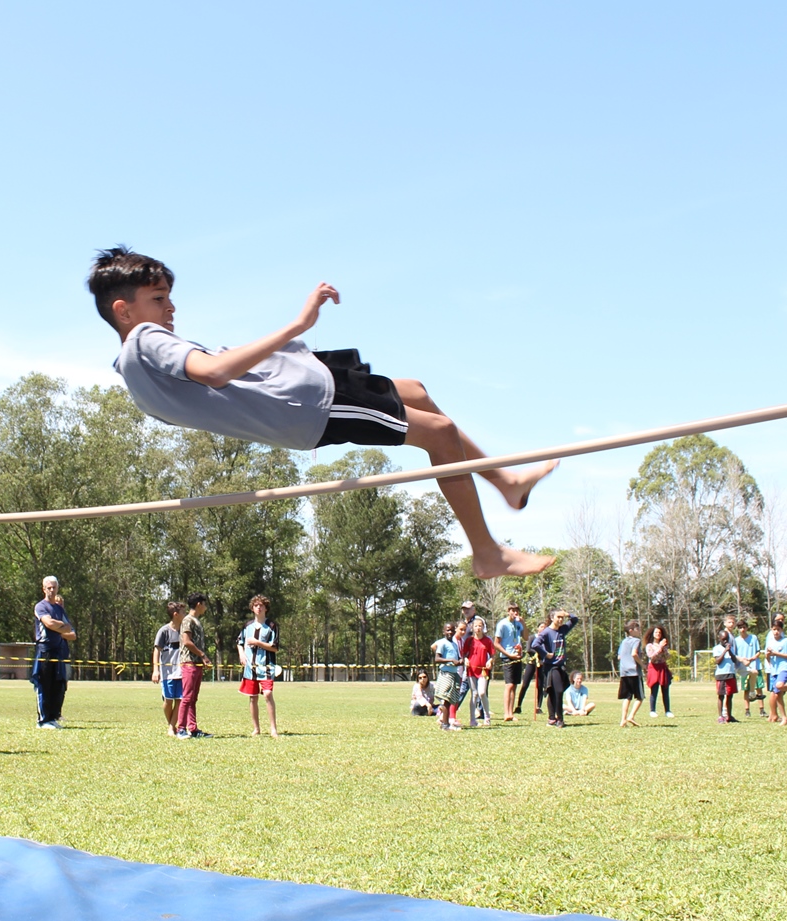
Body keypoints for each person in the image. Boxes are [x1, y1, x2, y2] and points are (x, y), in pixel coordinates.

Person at [92, 247, 557, 581]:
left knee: (416, 391)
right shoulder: (146, 340)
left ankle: (505, 483)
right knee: (440, 433)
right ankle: (487, 551)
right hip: (307, 401)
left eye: (170, 296)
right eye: (158, 298)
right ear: (123, 310)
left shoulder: (133, 375)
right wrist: (298, 323)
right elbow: (213, 373)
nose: (170, 307)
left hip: (306, 382)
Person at [31, 576, 76, 730]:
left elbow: (69, 628)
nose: (51, 590)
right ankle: (42, 720)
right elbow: (48, 623)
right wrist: (60, 626)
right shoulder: (40, 606)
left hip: (58, 651)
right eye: (48, 587)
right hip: (45, 650)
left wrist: (59, 626)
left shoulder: (59, 609)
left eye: (54, 587)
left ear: (57, 588)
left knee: (57, 685)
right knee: (43, 685)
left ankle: (52, 718)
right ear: (44, 589)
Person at [237, 595, 280, 736]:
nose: (259, 607)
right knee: (252, 696)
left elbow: (274, 647)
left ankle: (273, 728)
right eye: (256, 605)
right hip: (250, 668)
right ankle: (256, 728)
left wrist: (257, 643)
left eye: (262, 605)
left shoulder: (272, 626)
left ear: (266, 608)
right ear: (252, 608)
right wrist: (241, 654)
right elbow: (239, 642)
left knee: (267, 694)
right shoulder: (247, 626)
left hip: (266, 667)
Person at [532, 610, 578, 728]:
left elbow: (575, 620)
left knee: (553, 692)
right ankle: (560, 719)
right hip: (551, 667)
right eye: (558, 617)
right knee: (558, 691)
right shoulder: (547, 632)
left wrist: (567, 614)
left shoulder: (562, 630)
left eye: (562, 618)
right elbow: (535, 644)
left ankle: (551, 718)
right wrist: (545, 654)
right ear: (552, 618)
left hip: (561, 666)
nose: (561, 620)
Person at [177, 593, 210, 738]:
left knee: (193, 698)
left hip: (197, 664)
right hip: (189, 662)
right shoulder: (187, 620)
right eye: (204, 603)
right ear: (198, 604)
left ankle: (193, 728)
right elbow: (187, 641)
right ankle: (181, 729)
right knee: (187, 697)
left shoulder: (197, 621)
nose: (205, 607)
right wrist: (202, 655)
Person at [152, 601, 186, 734]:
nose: (186, 614)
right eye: (183, 612)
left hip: (182, 672)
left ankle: (172, 727)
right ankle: (171, 724)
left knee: (180, 700)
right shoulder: (164, 631)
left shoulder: (185, 630)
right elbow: (156, 651)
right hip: (167, 673)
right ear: (176, 614)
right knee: (168, 701)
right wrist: (156, 670)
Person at [763, 616, 787, 726]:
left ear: (781, 630)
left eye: (778, 629)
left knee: (779, 686)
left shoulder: (786, 641)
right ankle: (784, 717)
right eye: (774, 629)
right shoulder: (770, 643)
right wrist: (768, 655)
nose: (776, 632)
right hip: (774, 670)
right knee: (778, 695)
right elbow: (768, 659)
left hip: (784, 668)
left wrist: (776, 654)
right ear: (771, 630)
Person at [460, 616, 495, 727]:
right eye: (476, 626)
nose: (478, 628)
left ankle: (487, 717)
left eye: (480, 626)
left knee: (482, 692)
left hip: (483, 671)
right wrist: (465, 660)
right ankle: (472, 720)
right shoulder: (469, 640)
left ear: (483, 627)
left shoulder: (488, 640)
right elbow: (464, 654)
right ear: (472, 627)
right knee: (474, 694)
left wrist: (490, 661)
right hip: (471, 670)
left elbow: (493, 655)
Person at [728, 614, 765, 719]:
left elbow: (758, 652)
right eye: (740, 628)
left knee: (759, 687)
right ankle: (747, 710)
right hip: (744, 668)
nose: (742, 629)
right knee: (746, 689)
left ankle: (762, 710)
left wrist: (751, 659)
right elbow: (735, 655)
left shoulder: (753, 638)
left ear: (747, 628)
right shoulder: (736, 640)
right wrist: (743, 661)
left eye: (744, 627)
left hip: (755, 666)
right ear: (738, 629)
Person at [431, 622, 464, 730]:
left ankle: (447, 722)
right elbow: (437, 659)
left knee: (450, 700)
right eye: (448, 630)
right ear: (444, 631)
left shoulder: (454, 644)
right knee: (445, 699)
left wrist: (460, 661)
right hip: (446, 674)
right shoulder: (442, 643)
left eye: (452, 630)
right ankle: (445, 724)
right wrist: (451, 660)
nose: (450, 632)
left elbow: (458, 658)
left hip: (454, 673)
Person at [496, 604, 527, 721]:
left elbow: (526, 637)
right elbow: (496, 643)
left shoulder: (518, 624)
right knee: (508, 685)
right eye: (512, 610)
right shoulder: (502, 624)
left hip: (517, 657)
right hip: (507, 657)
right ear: (508, 611)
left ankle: (511, 713)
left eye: (516, 610)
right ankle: (506, 713)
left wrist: (523, 623)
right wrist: (508, 654)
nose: (515, 612)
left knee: (514, 685)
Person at [617, 619, 644, 727]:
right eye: (637, 628)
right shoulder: (636, 641)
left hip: (624, 672)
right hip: (634, 672)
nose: (639, 630)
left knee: (627, 697)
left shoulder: (623, 642)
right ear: (631, 630)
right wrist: (643, 665)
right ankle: (631, 716)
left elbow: (619, 657)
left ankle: (623, 720)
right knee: (640, 697)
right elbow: (634, 654)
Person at [645, 625, 673, 718]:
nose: (658, 634)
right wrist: (659, 647)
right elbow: (652, 656)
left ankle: (667, 711)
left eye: (660, 633)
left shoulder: (664, 645)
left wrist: (664, 648)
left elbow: (668, 657)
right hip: (653, 668)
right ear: (653, 634)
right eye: (656, 632)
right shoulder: (649, 645)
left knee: (665, 690)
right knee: (654, 690)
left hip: (662, 668)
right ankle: (652, 710)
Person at [712, 628, 739, 724]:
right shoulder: (717, 648)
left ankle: (729, 715)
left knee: (730, 696)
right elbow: (718, 661)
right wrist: (724, 651)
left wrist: (729, 651)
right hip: (721, 675)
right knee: (721, 696)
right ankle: (720, 716)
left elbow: (735, 660)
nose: (725, 641)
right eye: (723, 639)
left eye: (727, 639)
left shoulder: (730, 647)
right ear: (719, 639)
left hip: (730, 674)